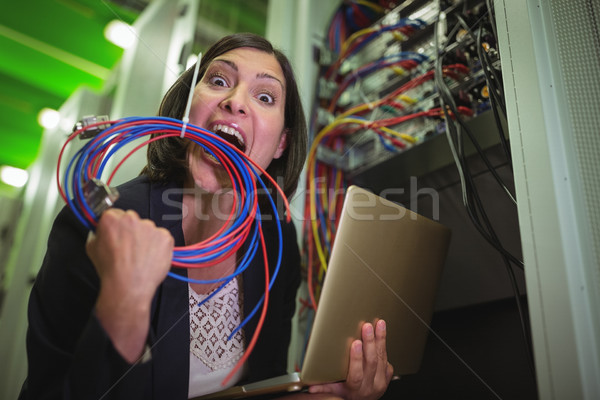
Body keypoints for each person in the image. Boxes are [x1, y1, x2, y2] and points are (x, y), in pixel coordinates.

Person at [18, 33, 393, 399]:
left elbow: (264, 386)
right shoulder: (98, 226)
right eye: (218, 80)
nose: (234, 102)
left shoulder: (276, 242)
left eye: (265, 96)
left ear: (281, 143)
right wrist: (124, 301)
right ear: (186, 111)